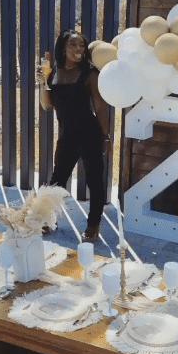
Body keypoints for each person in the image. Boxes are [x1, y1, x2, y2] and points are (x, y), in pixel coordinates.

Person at [36, 30, 111, 241]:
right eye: (73, 45)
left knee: (95, 183)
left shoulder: (90, 74)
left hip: (90, 136)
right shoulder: (53, 73)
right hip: (66, 137)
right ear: (63, 48)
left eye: (81, 45)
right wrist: (42, 82)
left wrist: (106, 136)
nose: (78, 49)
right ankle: (49, 219)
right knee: (56, 181)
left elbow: (100, 107)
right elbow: (47, 105)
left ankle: (93, 225)